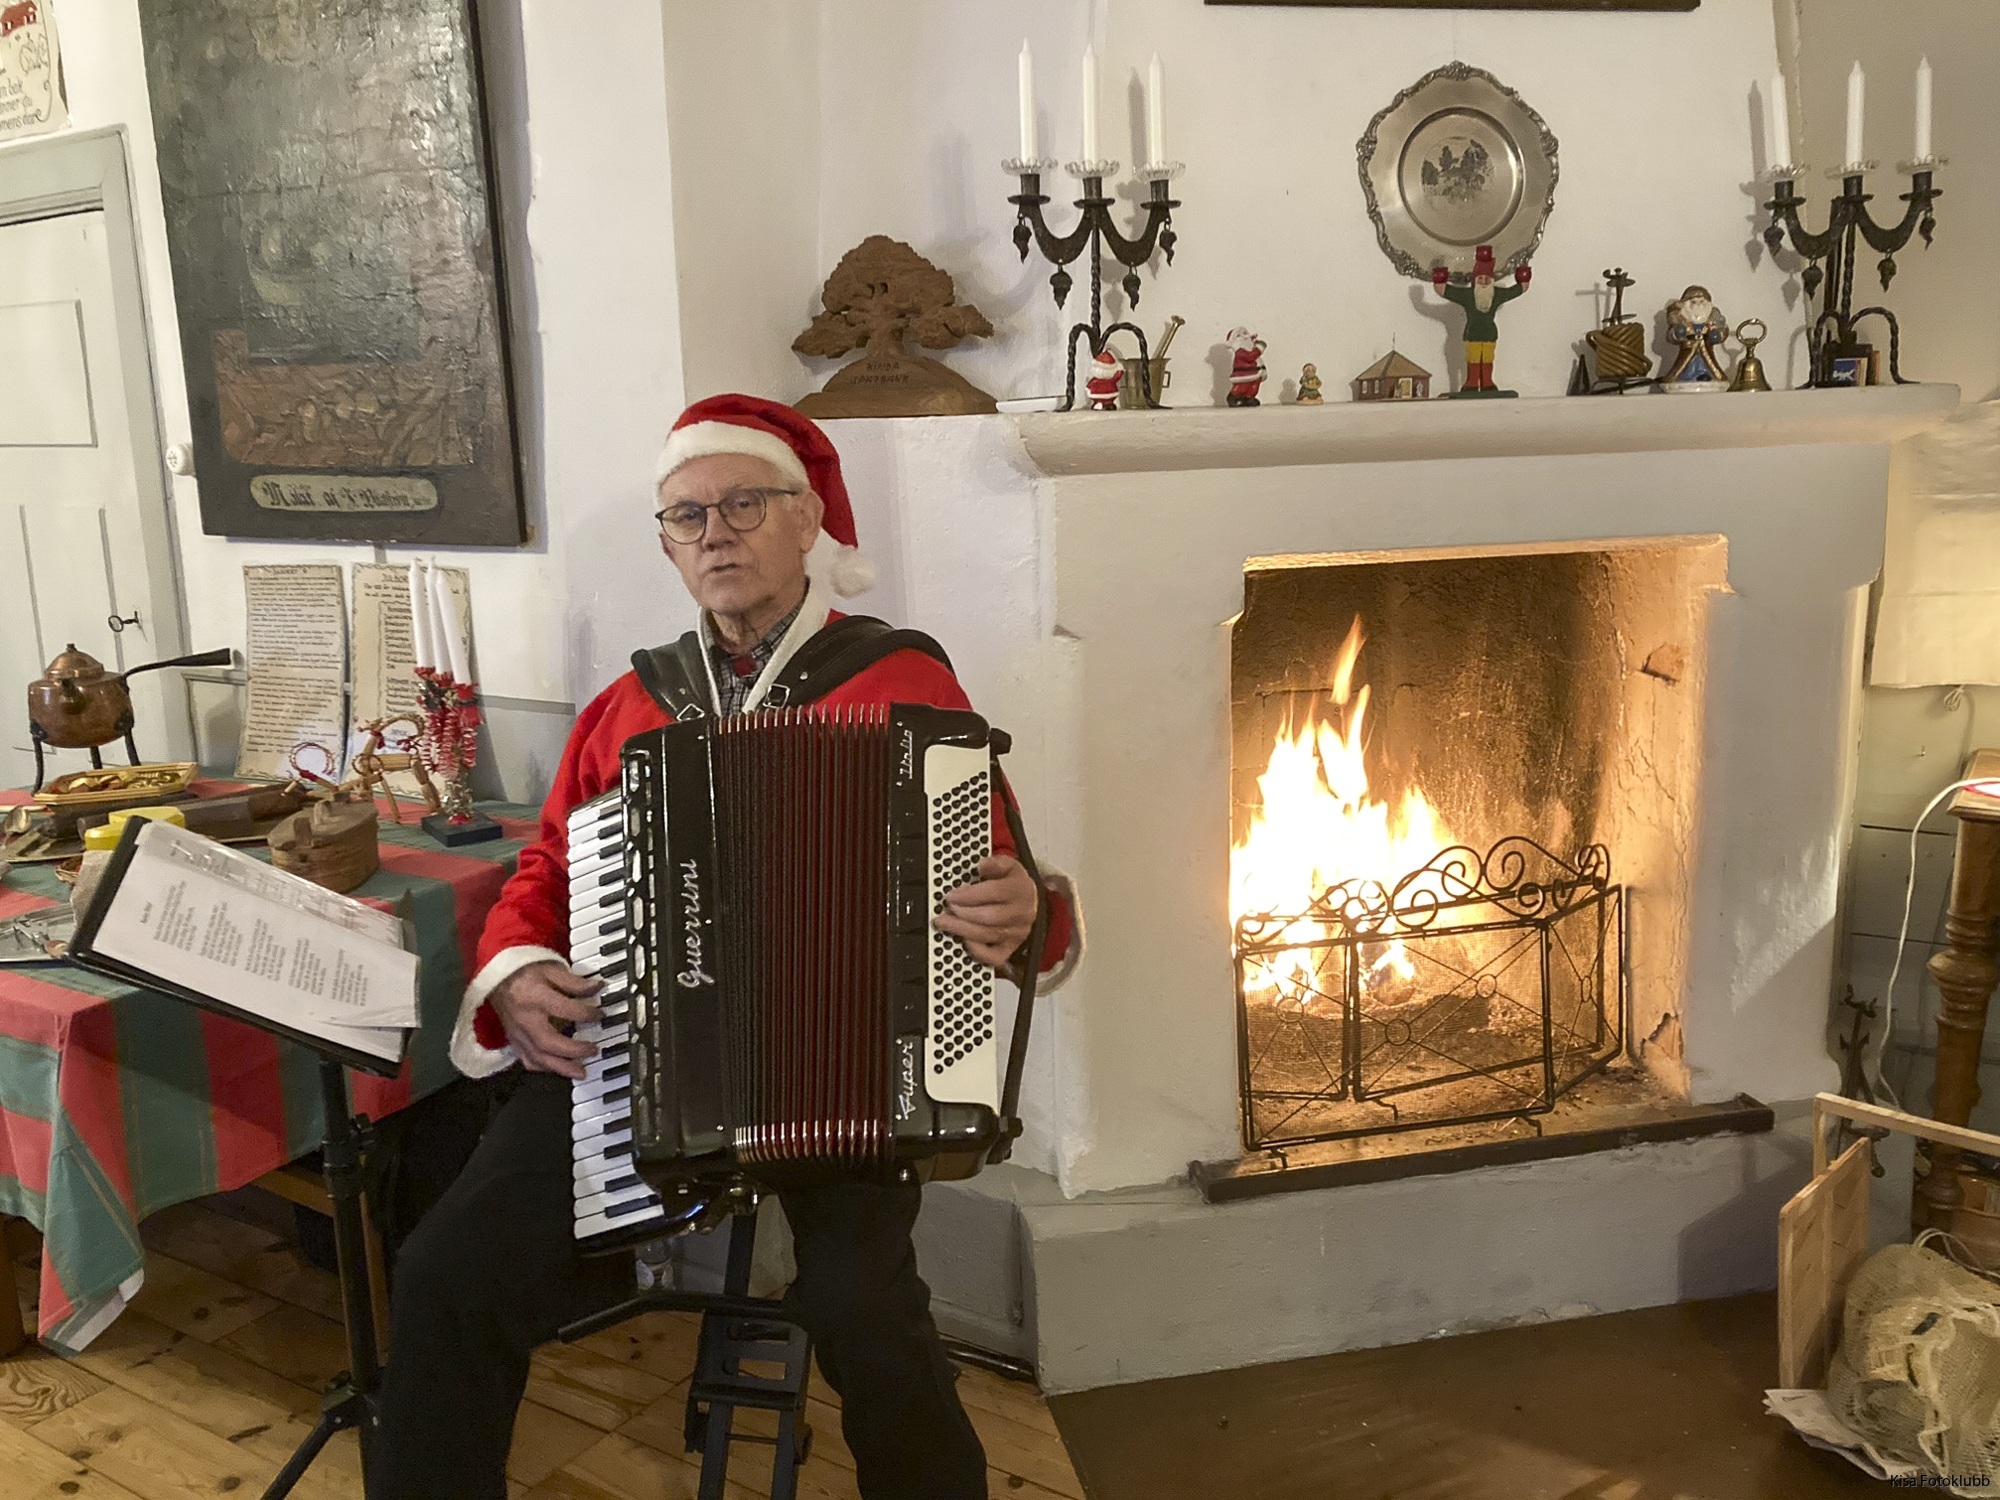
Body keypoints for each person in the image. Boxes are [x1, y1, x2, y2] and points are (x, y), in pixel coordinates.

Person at [370, 394, 1082, 1500]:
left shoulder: (904, 685)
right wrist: (517, 972)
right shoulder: (626, 706)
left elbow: (1009, 878)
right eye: (687, 516)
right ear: (667, 543)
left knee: (863, 1308)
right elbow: (546, 871)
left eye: (744, 504)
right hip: (629, 1058)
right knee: (445, 1269)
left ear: (807, 523)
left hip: (858, 1074)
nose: (715, 534)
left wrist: (1026, 910)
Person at [1431, 243, 1531, 394]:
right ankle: (1472, 382)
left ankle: (1487, 382)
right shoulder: (1468, 296)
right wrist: (1439, 278)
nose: (1484, 282)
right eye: (1481, 279)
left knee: (1488, 359)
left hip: (1490, 334)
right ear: (1475, 281)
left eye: (1487, 279)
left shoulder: (1496, 295)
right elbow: (1444, 290)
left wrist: (1523, 280)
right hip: (1472, 334)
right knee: (1473, 359)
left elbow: (1518, 290)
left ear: (1492, 281)